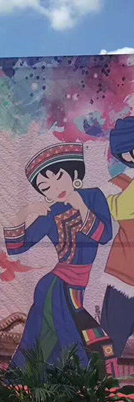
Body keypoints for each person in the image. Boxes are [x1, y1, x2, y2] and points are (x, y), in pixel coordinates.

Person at [3, 143, 117, 374]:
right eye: (46, 187)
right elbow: (16, 247)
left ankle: (48, 379)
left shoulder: (93, 196)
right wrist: (24, 213)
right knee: (67, 333)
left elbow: (105, 235)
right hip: (56, 285)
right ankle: (79, 378)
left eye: (58, 178)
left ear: (74, 173)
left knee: (50, 332)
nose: (55, 188)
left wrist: (81, 207)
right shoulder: (50, 213)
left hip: (75, 283)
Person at [101, 117, 134, 361]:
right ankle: (101, 379)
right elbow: (122, 210)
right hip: (125, 276)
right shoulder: (118, 184)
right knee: (111, 339)